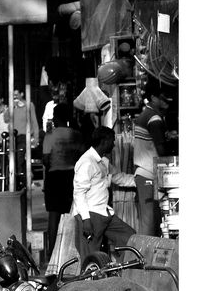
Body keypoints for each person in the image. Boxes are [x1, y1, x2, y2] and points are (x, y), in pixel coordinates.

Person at [72, 126, 136, 257]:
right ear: (104, 141)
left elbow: (119, 178)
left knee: (130, 238)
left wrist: (140, 180)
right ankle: (92, 277)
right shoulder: (86, 162)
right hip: (90, 215)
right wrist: (86, 220)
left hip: (104, 213)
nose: (113, 145)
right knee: (91, 257)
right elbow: (79, 193)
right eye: (112, 141)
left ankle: (121, 272)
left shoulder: (103, 162)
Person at [133, 79, 175, 237]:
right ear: (153, 97)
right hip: (149, 174)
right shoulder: (154, 119)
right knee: (150, 223)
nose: (167, 101)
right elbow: (161, 150)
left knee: (150, 221)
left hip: (144, 174)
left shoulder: (146, 114)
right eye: (163, 97)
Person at [42, 103, 84, 255]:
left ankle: (52, 252)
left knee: (54, 215)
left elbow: (46, 159)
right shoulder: (76, 134)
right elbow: (81, 155)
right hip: (71, 176)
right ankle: (72, 250)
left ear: (56, 117)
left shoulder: (50, 135)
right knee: (72, 213)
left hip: (54, 176)